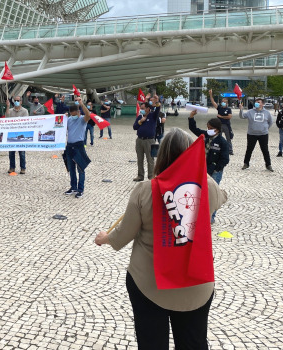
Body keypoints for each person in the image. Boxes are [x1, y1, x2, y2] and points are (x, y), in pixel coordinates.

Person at [94, 128, 228, 350]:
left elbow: (124, 235)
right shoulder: (207, 187)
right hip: (196, 283)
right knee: (193, 343)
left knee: (151, 344)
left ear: (162, 154)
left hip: (149, 283)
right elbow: (222, 198)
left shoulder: (145, 190)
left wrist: (105, 238)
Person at [188, 110, 230, 223]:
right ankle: (200, 215)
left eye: (211, 128)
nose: (209, 130)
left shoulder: (222, 142)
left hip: (215, 172)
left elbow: (225, 159)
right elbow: (194, 129)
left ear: (217, 129)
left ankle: (211, 217)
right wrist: (191, 117)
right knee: (200, 193)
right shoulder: (205, 135)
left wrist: (216, 168)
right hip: (203, 169)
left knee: (213, 194)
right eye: (208, 127)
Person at [63, 97, 91, 198]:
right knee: (71, 168)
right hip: (69, 146)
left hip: (79, 146)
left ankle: (80, 189)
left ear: (78, 112)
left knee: (81, 169)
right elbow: (61, 127)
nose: (72, 116)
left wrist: (82, 104)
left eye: (74, 114)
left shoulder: (82, 120)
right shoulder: (69, 119)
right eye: (71, 114)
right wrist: (63, 118)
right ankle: (73, 187)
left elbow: (88, 115)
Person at [239, 98, 273, 172]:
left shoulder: (267, 112)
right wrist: (241, 109)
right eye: (256, 102)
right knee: (249, 149)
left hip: (263, 134)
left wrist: (265, 128)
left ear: (262, 104)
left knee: (265, 150)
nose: (256, 103)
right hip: (252, 134)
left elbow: (270, 122)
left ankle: (268, 164)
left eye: (258, 102)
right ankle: (246, 163)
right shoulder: (250, 112)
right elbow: (242, 116)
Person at [133, 94, 160, 181]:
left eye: (143, 108)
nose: (142, 110)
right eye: (141, 108)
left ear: (148, 109)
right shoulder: (140, 117)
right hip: (140, 140)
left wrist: (157, 101)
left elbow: (158, 109)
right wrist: (140, 121)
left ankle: (151, 176)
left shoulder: (153, 116)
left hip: (149, 140)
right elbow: (134, 127)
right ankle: (140, 176)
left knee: (150, 159)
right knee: (139, 159)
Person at [6, 95, 29, 174]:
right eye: (15, 100)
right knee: (11, 152)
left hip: (21, 134)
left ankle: (23, 168)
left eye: (18, 100)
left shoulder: (25, 111)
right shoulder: (11, 110)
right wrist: (7, 107)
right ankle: (12, 167)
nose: (16, 102)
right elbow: (7, 118)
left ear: (21, 101)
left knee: (21, 152)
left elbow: (25, 122)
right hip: (12, 134)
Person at [209, 89, 233, 155]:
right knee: (218, 137)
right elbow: (213, 102)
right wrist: (210, 94)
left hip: (226, 125)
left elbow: (229, 116)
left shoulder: (228, 109)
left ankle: (230, 150)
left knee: (228, 138)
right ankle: (218, 149)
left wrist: (221, 117)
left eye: (224, 102)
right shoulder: (219, 108)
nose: (223, 102)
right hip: (219, 125)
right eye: (222, 101)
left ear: (227, 103)